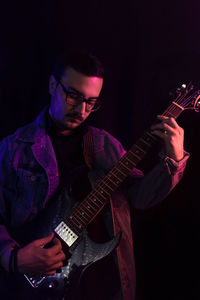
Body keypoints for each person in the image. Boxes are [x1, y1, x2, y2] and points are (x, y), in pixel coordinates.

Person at [0, 51, 189, 300]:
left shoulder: (105, 146)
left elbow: (141, 198)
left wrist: (174, 159)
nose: (81, 110)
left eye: (91, 102)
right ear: (51, 85)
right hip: (28, 287)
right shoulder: (13, 147)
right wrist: (12, 257)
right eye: (73, 96)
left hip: (100, 284)